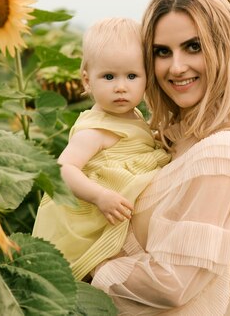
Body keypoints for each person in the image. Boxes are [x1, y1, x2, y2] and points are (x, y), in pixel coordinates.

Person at [91, 0, 230, 315]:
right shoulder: (172, 138)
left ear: (223, 49)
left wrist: (87, 265)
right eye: (162, 52)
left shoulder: (227, 151)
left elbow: (172, 284)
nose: (176, 66)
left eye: (193, 47)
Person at [32, 17, 170, 281]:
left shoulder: (133, 116)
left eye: (132, 76)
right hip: (86, 223)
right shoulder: (94, 130)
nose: (120, 86)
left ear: (146, 77)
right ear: (87, 79)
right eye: (108, 76)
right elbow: (61, 170)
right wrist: (99, 196)